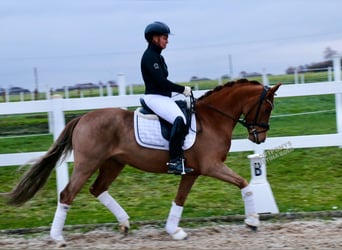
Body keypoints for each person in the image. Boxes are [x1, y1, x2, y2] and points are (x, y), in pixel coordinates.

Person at [141, 21, 193, 175]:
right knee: (179, 118)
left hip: (162, 97)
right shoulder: (150, 57)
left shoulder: (158, 56)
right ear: (154, 38)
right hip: (154, 97)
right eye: (164, 37)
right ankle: (175, 161)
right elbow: (161, 82)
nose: (167, 40)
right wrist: (182, 89)